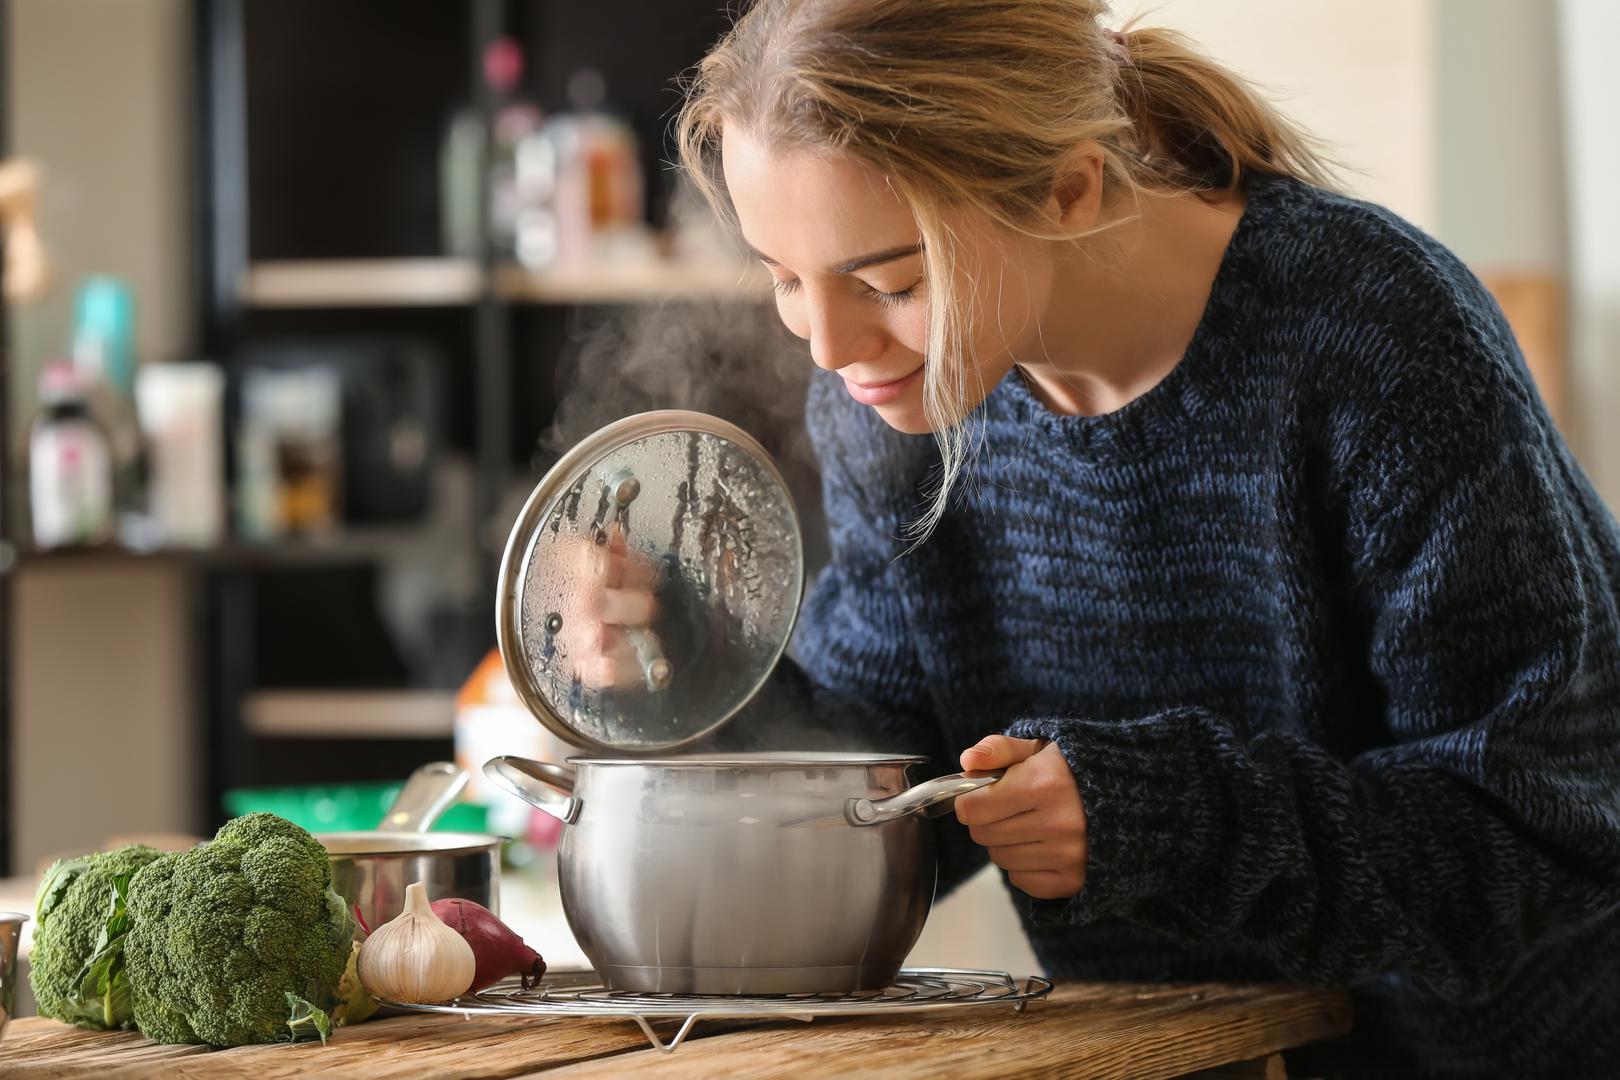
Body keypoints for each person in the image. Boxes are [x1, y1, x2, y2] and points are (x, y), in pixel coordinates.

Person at [572, 1, 1620, 1075]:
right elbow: (878, 793)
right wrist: (686, 664)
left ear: (1069, 190)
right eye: (784, 279)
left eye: (890, 282)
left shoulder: (1374, 338)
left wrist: (1172, 822)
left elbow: (1548, 842)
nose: (829, 346)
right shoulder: (893, 411)